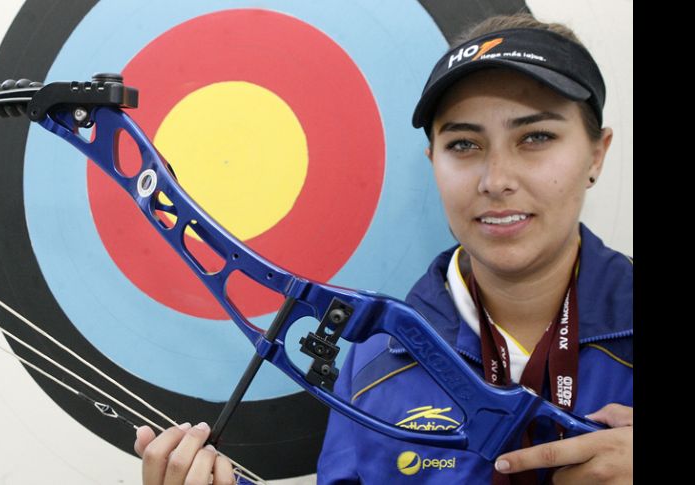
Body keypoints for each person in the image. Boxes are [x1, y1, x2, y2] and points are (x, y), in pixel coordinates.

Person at [133, 12, 633, 485]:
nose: (496, 180)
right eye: (463, 144)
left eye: (536, 137)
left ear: (597, 153)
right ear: (432, 158)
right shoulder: (376, 357)